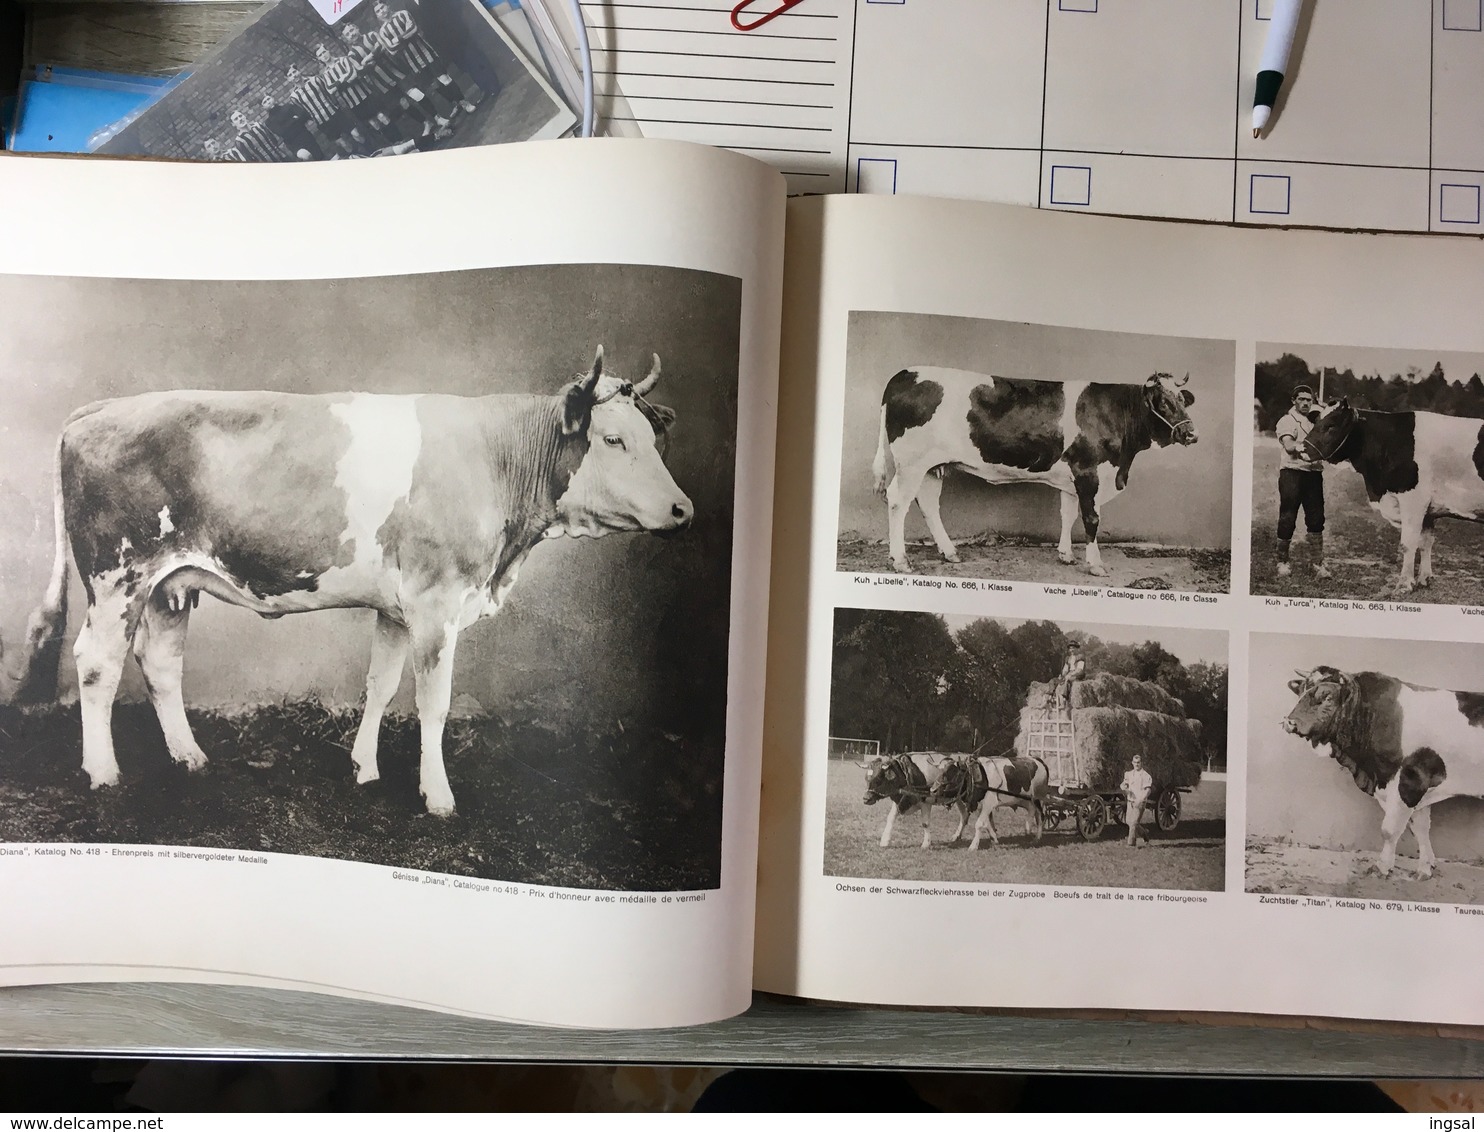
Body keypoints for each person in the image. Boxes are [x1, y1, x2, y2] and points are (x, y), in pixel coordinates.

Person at [1275, 385, 1331, 580]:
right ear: (1294, 401)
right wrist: (1310, 449)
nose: (1306, 403)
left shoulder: (1316, 422)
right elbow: (1289, 446)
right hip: (1293, 473)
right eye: (1302, 399)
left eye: (1309, 400)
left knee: (1316, 519)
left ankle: (1317, 563)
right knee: (1288, 517)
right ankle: (1282, 561)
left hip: (1313, 475)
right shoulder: (1287, 420)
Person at [1121, 754, 1153, 848]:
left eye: (1138, 762)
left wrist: (1142, 799)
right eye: (1135, 762)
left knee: (1134, 823)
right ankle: (1145, 834)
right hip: (1130, 800)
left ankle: (1131, 844)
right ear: (1132, 763)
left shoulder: (1145, 776)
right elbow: (1125, 784)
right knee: (1128, 821)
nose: (1136, 764)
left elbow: (1148, 790)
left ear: (1141, 763)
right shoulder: (1129, 774)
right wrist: (1124, 787)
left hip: (1139, 801)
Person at [1054, 644, 1086, 712]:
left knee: (1067, 680)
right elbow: (1065, 669)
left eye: (1073, 648)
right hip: (1069, 673)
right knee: (1059, 682)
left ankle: (1064, 700)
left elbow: (1079, 669)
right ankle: (1057, 699)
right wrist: (1062, 675)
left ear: (1077, 649)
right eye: (1070, 648)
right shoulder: (1068, 658)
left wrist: (1070, 674)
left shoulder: (1080, 657)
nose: (1072, 650)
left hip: (1078, 674)